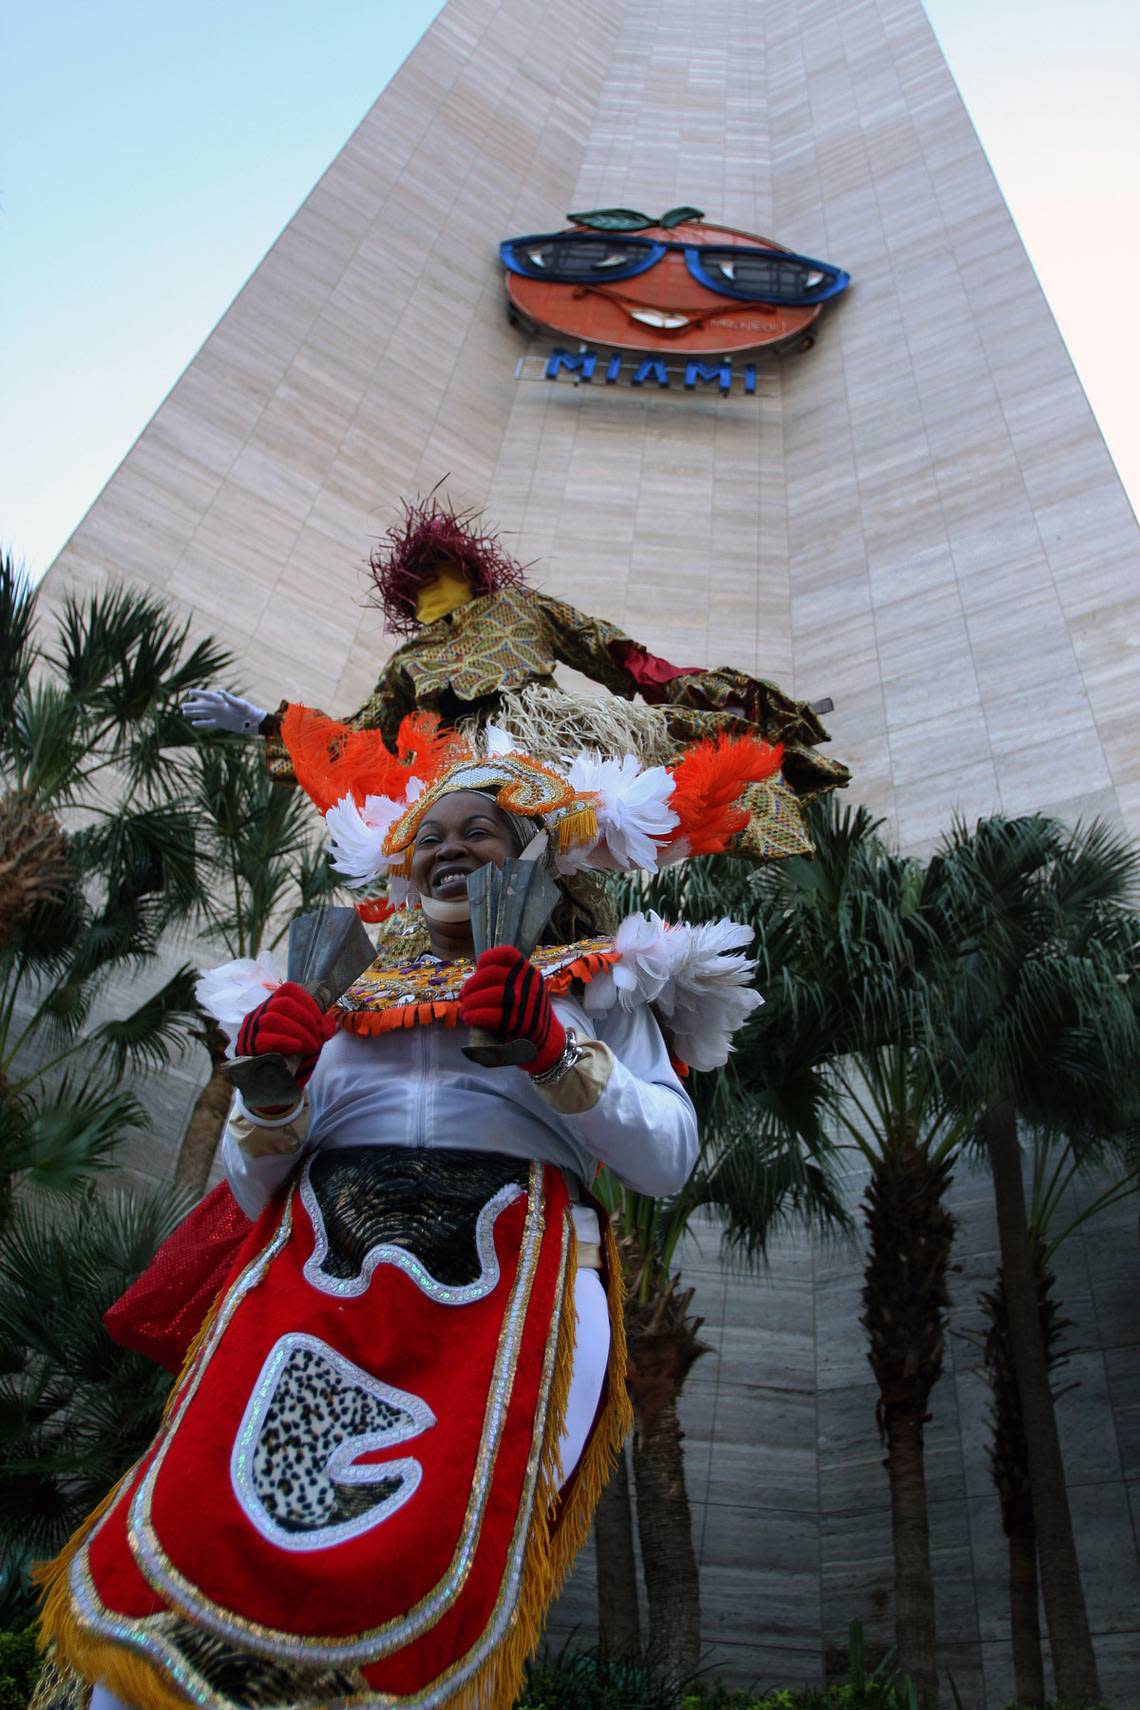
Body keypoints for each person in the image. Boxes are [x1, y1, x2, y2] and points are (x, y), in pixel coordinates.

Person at [38, 739, 761, 1710]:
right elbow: (254, 1192)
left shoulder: (601, 983)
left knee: (441, 1532)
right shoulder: (332, 986)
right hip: (313, 1272)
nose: (451, 849)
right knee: (208, 1506)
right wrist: (273, 1089)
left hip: (510, 1281)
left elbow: (667, 1157)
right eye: (434, 836)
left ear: (536, 856)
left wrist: (553, 1050)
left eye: (482, 833)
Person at [182, 492, 848, 863]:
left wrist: (740, 702)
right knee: (473, 851)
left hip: (553, 734)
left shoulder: (519, 608)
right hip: (458, 763)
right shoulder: (409, 664)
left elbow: (627, 662)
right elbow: (357, 743)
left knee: (666, 789)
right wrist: (262, 723)